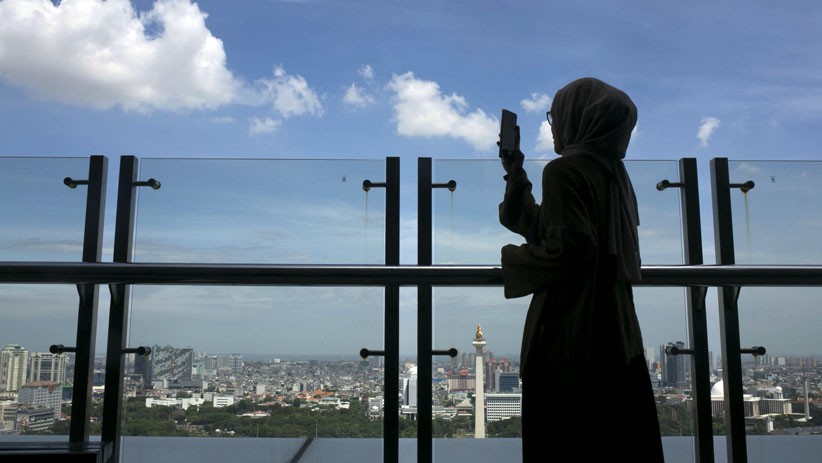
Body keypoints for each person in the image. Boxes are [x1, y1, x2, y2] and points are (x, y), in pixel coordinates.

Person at [499, 77, 664, 462]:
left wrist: (513, 259)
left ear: (579, 118)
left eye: (555, 116)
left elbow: (570, 248)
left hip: (572, 334)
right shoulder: (614, 174)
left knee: (563, 441)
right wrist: (515, 172)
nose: (553, 125)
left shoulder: (564, 170)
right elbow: (549, 226)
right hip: (617, 331)